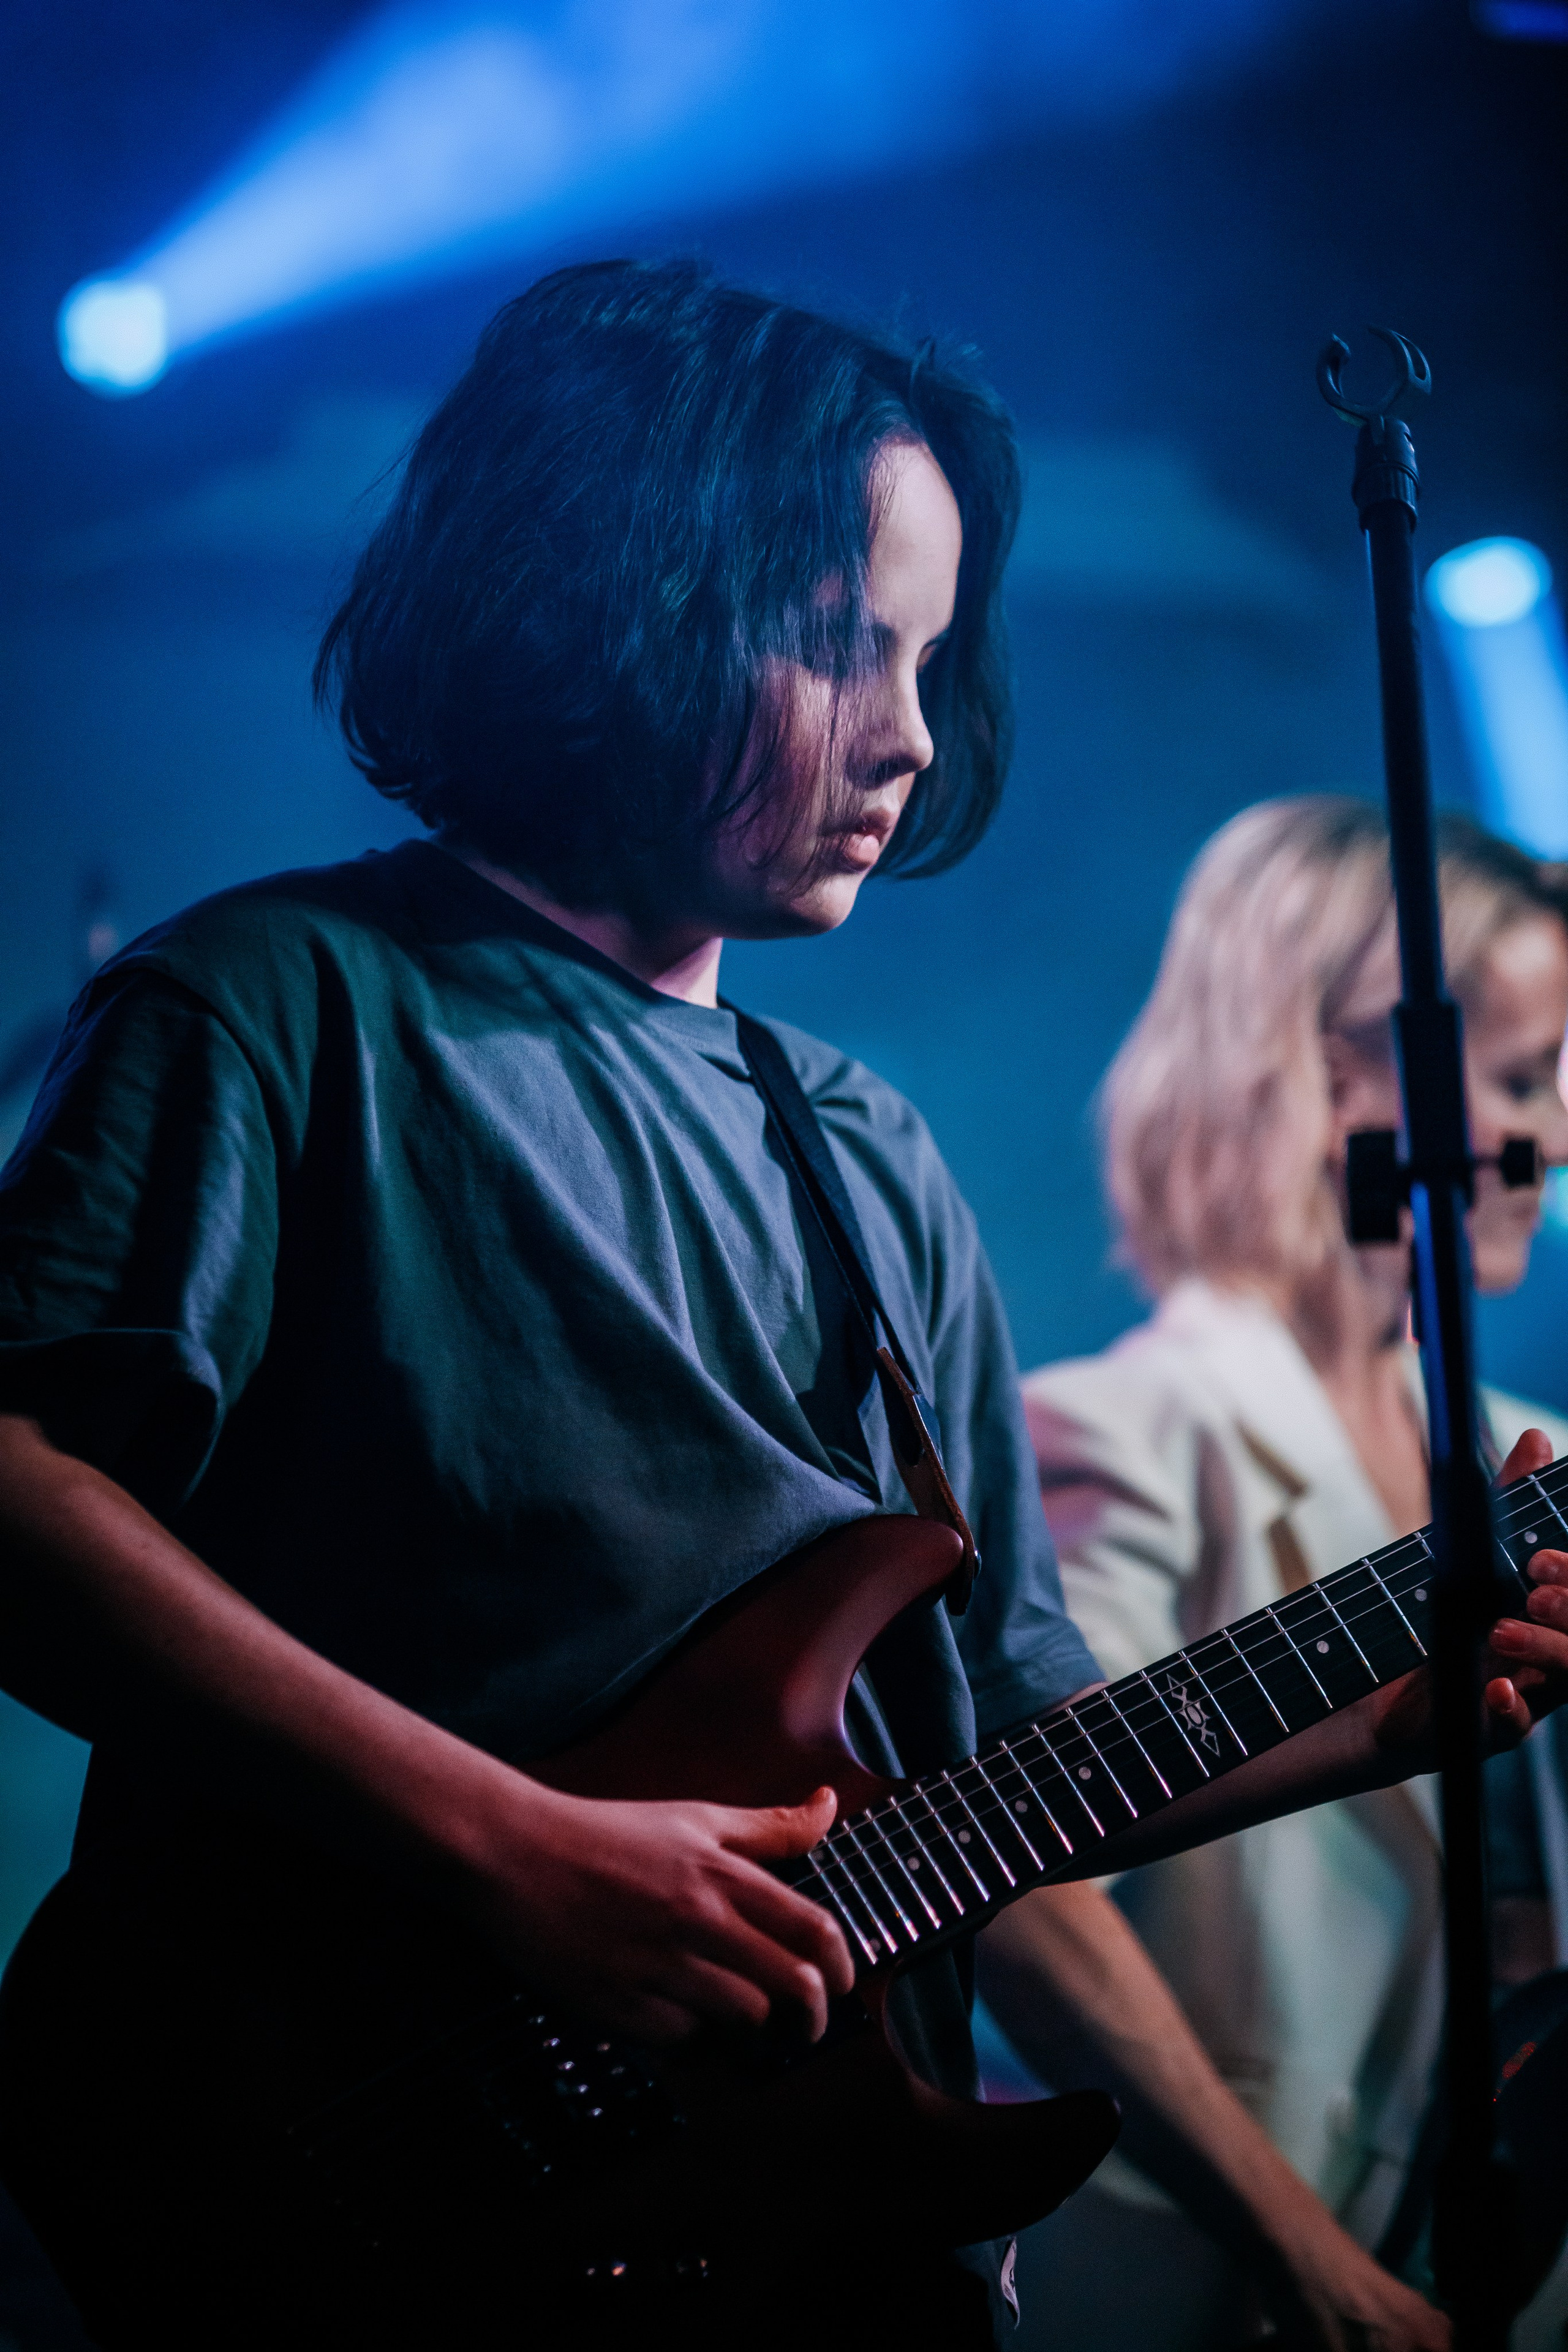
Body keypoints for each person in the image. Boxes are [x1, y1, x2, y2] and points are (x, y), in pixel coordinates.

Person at [0, 276, 1564, 2352]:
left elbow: (988, 1753)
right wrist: (517, 1853)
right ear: (607, 600)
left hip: (802, 2251)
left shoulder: (866, 1156)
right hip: (329, 2162)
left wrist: (1366, 1731)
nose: (913, 733)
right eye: (840, 642)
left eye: (926, 658)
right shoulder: (271, 1011)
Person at [989, 798, 1568, 2351]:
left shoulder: (1529, 1452)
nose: (1561, 1134)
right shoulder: (1124, 1429)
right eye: (1524, 1078)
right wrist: (1309, 2265)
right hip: (1211, 2297)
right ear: (1327, 1073)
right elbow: (1015, 1894)